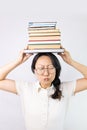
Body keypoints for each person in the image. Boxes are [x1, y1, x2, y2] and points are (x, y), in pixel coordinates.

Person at [0, 47, 87, 130]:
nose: (46, 73)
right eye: (41, 68)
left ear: (56, 70)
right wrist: (18, 61)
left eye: (50, 67)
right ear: (34, 70)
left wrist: (71, 62)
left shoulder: (66, 88)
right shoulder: (24, 88)